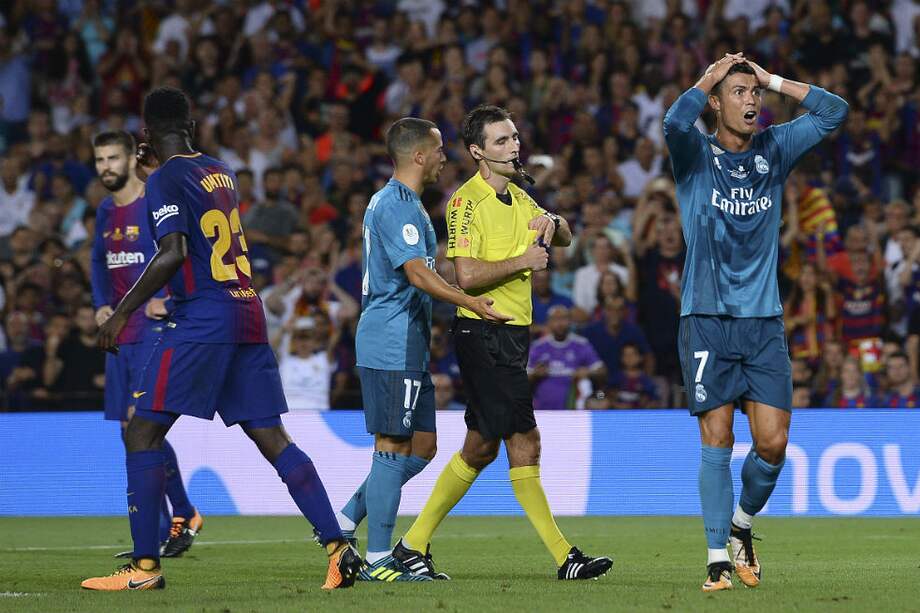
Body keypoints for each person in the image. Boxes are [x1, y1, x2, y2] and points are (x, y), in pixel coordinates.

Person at [82, 88, 360, 591]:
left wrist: (121, 313)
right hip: (246, 313)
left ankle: (144, 569)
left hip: (202, 318)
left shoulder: (164, 178)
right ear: (191, 127)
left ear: (145, 134)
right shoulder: (220, 170)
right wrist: (158, 170)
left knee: (141, 433)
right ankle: (338, 547)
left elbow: (172, 251)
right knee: (273, 437)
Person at [392, 105, 612, 581]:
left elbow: (565, 238)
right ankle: (565, 557)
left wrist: (553, 220)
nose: (514, 146)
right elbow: (466, 275)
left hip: (512, 335)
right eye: (501, 141)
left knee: (479, 448)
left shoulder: (520, 196)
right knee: (525, 441)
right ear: (478, 152)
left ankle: (411, 545)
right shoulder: (465, 202)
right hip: (482, 332)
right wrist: (523, 261)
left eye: (514, 137)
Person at [664, 53, 848, 591]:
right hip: (706, 316)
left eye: (754, 93)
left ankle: (742, 525)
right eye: (738, 92)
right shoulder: (695, 153)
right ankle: (716, 558)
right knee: (717, 436)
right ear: (715, 103)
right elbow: (674, 121)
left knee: (772, 443)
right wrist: (708, 77)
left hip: (763, 320)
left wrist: (773, 79)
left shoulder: (775, 148)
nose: (750, 101)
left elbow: (834, 112)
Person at [337, 116, 508, 582]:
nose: (443, 158)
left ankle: (346, 520)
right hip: (390, 340)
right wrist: (469, 301)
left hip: (408, 342)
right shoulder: (395, 205)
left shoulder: (407, 203)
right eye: (438, 150)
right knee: (392, 445)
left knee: (424, 446)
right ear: (417, 155)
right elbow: (416, 273)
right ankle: (379, 559)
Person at [89, 129, 202, 559]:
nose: (106, 167)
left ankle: (180, 516)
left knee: (142, 424)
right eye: (100, 159)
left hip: (154, 330)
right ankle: (164, 527)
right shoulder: (105, 210)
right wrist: (101, 304)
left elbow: (187, 255)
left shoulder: (155, 199)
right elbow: (98, 260)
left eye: (113, 158)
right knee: (128, 431)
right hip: (120, 333)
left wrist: (169, 301)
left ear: (130, 159)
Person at [527, 305, 606, 410]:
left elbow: (602, 371)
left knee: (596, 393)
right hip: (542, 410)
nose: (560, 324)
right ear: (548, 322)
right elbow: (522, 378)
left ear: (570, 321)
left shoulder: (581, 344)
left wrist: (588, 372)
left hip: (574, 410)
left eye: (563, 319)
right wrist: (535, 375)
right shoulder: (538, 347)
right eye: (555, 319)